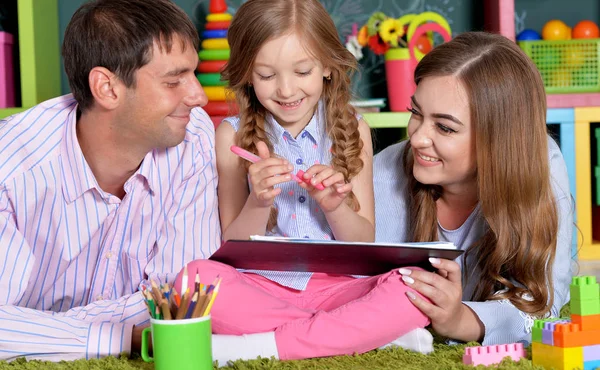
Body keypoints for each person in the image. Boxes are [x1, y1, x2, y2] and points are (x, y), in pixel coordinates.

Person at [175, 0, 432, 365]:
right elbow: (229, 246)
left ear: (326, 65)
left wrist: (334, 206)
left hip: (340, 289)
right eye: (266, 75)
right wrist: (259, 202)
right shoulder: (229, 136)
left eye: (302, 71)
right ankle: (364, 336)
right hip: (259, 288)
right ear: (247, 73)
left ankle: (264, 345)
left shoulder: (352, 128)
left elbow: (362, 241)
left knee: (414, 284)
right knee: (193, 280)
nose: (285, 89)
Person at [0, 0, 220, 362]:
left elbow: (185, 300)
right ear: (107, 88)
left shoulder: (191, 137)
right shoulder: (13, 168)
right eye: (174, 80)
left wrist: (42, 329)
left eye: (193, 75)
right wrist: (120, 337)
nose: (198, 96)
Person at [373, 31, 573, 346]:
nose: (416, 138)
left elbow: (542, 307)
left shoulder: (539, 165)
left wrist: (461, 321)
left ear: (498, 141)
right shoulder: (387, 169)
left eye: (444, 127)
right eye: (416, 113)